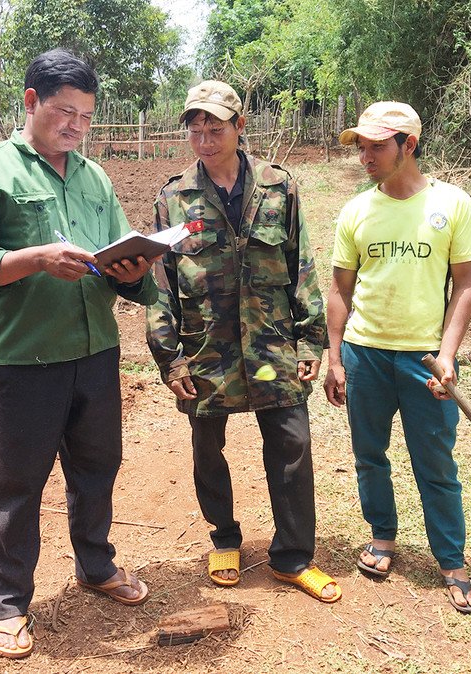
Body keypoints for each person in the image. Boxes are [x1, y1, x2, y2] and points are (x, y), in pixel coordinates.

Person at [0, 48, 158, 659]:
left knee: (97, 468)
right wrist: (36, 258)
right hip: (27, 357)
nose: (77, 127)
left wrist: (137, 269)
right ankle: (7, 602)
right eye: (66, 112)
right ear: (32, 102)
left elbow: (119, 263)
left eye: (86, 117)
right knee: (18, 481)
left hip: (95, 351)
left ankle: (95, 565)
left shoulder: (94, 179)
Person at [145, 80, 340, 602]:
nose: (204, 137)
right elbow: (159, 283)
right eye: (195, 127)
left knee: (292, 443)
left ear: (239, 127)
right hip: (207, 354)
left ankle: (293, 557)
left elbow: (301, 266)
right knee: (208, 447)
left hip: (273, 351)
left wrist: (309, 343)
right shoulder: (174, 197)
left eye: (215, 126)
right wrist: (171, 358)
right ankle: (224, 539)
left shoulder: (281, 186)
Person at [323, 101, 471, 613]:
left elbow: (464, 287)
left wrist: (448, 355)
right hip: (365, 354)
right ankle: (383, 537)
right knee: (370, 456)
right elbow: (339, 292)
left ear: (408, 145)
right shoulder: (356, 211)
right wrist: (334, 358)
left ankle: (452, 561)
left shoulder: (453, 204)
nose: (365, 156)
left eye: (376, 146)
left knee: (435, 462)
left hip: (424, 359)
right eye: (361, 147)